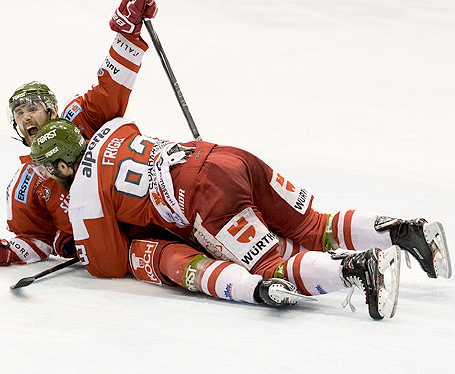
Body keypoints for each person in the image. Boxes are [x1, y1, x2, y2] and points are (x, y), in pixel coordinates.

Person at [0, 0, 304, 308]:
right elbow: (36, 240)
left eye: (32, 109)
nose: (26, 117)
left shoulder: (79, 119)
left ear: (51, 111)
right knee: (178, 256)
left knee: (260, 227)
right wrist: (7, 251)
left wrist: (126, 33)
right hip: (136, 240)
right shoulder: (25, 186)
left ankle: (319, 260)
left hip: (168, 200)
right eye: (19, 114)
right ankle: (268, 284)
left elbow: (109, 87)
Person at [29, 112, 451, 319]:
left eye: (50, 168)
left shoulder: (83, 194)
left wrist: (80, 241)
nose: (49, 177)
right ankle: (402, 231)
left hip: (205, 197)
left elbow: (107, 266)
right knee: (312, 223)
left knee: (271, 267)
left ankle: (359, 271)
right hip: (225, 157)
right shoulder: (113, 128)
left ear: (65, 164)